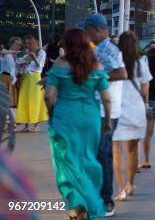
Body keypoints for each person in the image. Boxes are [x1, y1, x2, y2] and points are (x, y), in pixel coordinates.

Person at [44, 28, 112, 220]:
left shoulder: (60, 63)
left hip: (65, 117)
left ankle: (76, 204)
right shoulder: (96, 65)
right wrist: (107, 120)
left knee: (66, 161)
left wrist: (51, 113)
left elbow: (49, 95)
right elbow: (107, 98)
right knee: (88, 158)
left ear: (66, 44)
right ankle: (88, 202)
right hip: (89, 117)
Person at [80, 13, 128, 217]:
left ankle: (107, 201)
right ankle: (98, 196)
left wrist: (94, 77)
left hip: (106, 110)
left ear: (98, 30)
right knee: (96, 153)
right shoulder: (97, 48)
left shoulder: (109, 48)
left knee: (103, 154)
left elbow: (122, 73)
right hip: (97, 109)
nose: (85, 34)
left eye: (87, 30)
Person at [112, 31, 151, 202]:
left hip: (116, 109)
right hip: (135, 109)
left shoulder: (114, 62)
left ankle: (120, 189)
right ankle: (130, 184)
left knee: (116, 151)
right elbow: (144, 91)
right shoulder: (140, 63)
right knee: (132, 149)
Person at [15, 35, 47, 132]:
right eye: (26, 43)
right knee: (25, 100)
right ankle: (26, 125)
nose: (28, 45)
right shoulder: (28, 53)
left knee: (36, 100)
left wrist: (34, 58)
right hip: (26, 77)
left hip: (35, 77)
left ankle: (36, 125)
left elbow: (40, 66)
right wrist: (23, 64)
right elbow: (20, 64)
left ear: (34, 42)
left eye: (30, 43)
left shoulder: (41, 52)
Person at [1, 37, 21, 108]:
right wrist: (14, 52)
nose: (19, 46)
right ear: (11, 44)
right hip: (5, 78)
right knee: (4, 102)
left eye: (20, 45)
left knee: (13, 105)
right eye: (17, 44)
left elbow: (16, 69)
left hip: (14, 79)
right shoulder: (6, 52)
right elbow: (2, 51)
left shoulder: (19, 55)